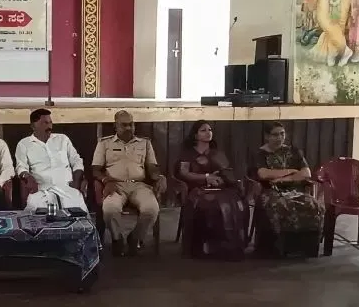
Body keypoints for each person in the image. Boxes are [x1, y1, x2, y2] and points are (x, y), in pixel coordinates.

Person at [92, 110, 166, 256]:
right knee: (110, 209)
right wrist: (106, 180)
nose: (128, 128)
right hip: (115, 185)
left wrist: (160, 177)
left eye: (131, 124)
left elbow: (152, 167)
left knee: (151, 209)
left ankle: (135, 238)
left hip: (139, 185)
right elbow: (95, 169)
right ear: (115, 126)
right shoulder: (104, 143)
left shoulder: (144, 143)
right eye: (124, 125)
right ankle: (117, 239)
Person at [249, 121, 324, 258]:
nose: (279, 138)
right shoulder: (260, 154)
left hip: (295, 190)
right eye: (275, 135)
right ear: (267, 136)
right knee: (281, 205)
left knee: (313, 205)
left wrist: (282, 179)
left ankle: (305, 246)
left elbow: (306, 173)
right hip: (270, 191)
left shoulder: (293, 151)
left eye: (282, 134)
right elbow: (264, 174)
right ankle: (279, 246)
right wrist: (291, 171)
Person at [175, 120, 248, 260]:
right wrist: (206, 177)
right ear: (195, 135)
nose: (208, 132)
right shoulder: (188, 153)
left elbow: (227, 171)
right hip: (196, 189)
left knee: (234, 202)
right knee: (211, 204)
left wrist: (222, 177)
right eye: (203, 130)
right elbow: (184, 173)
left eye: (210, 130)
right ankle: (205, 246)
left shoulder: (217, 153)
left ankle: (230, 246)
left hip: (220, 188)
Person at [15, 109, 87, 212]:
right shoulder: (24, 144)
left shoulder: (63, 139)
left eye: (50, 122)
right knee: (38, 211)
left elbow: (76, 160)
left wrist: (76, 180)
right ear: (33, 126)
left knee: (77, 212)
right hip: (41, 190)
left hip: (67, 188)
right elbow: (21, 167)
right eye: (45, 123)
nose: (49, 126)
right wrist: (27, 177)